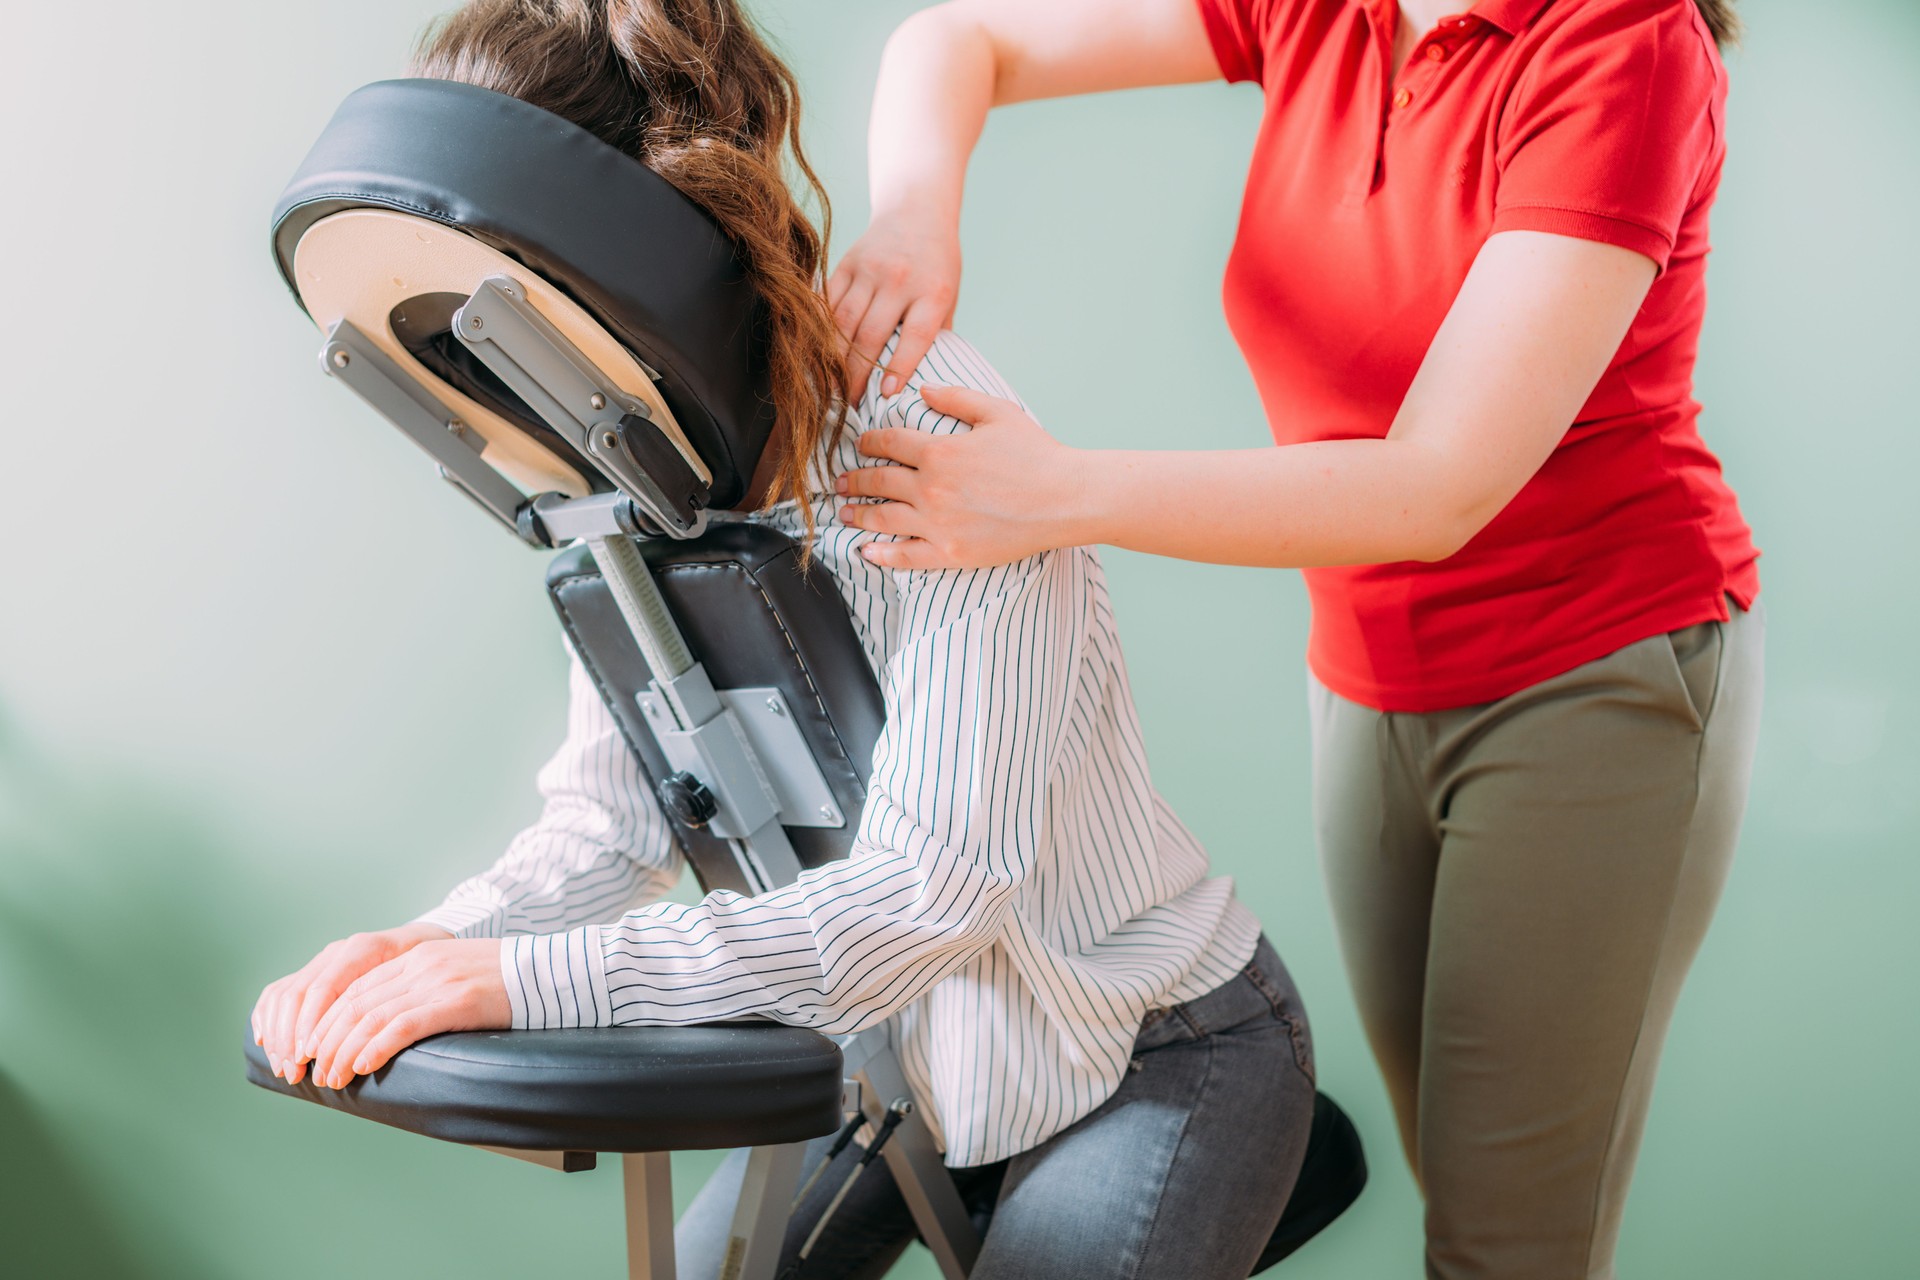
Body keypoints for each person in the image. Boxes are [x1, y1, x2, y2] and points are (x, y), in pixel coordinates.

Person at [249, 3, 1318, 1276]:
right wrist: (438, 944)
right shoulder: (629, 462)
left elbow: (932, 893)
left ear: (627, 251)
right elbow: (613, 829)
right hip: (905, 1056)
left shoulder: (934, 434)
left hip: (1148, 1041)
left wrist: (524, 983)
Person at [825, 1, 1763, 1277]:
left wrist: (1055, 492)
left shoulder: (1623, 47)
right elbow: (954, 39)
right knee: (1463, 1190)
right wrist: (914, 211)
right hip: (1368, 677)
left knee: (1508, 1250)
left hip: (1594, 678)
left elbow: (1437, 486)